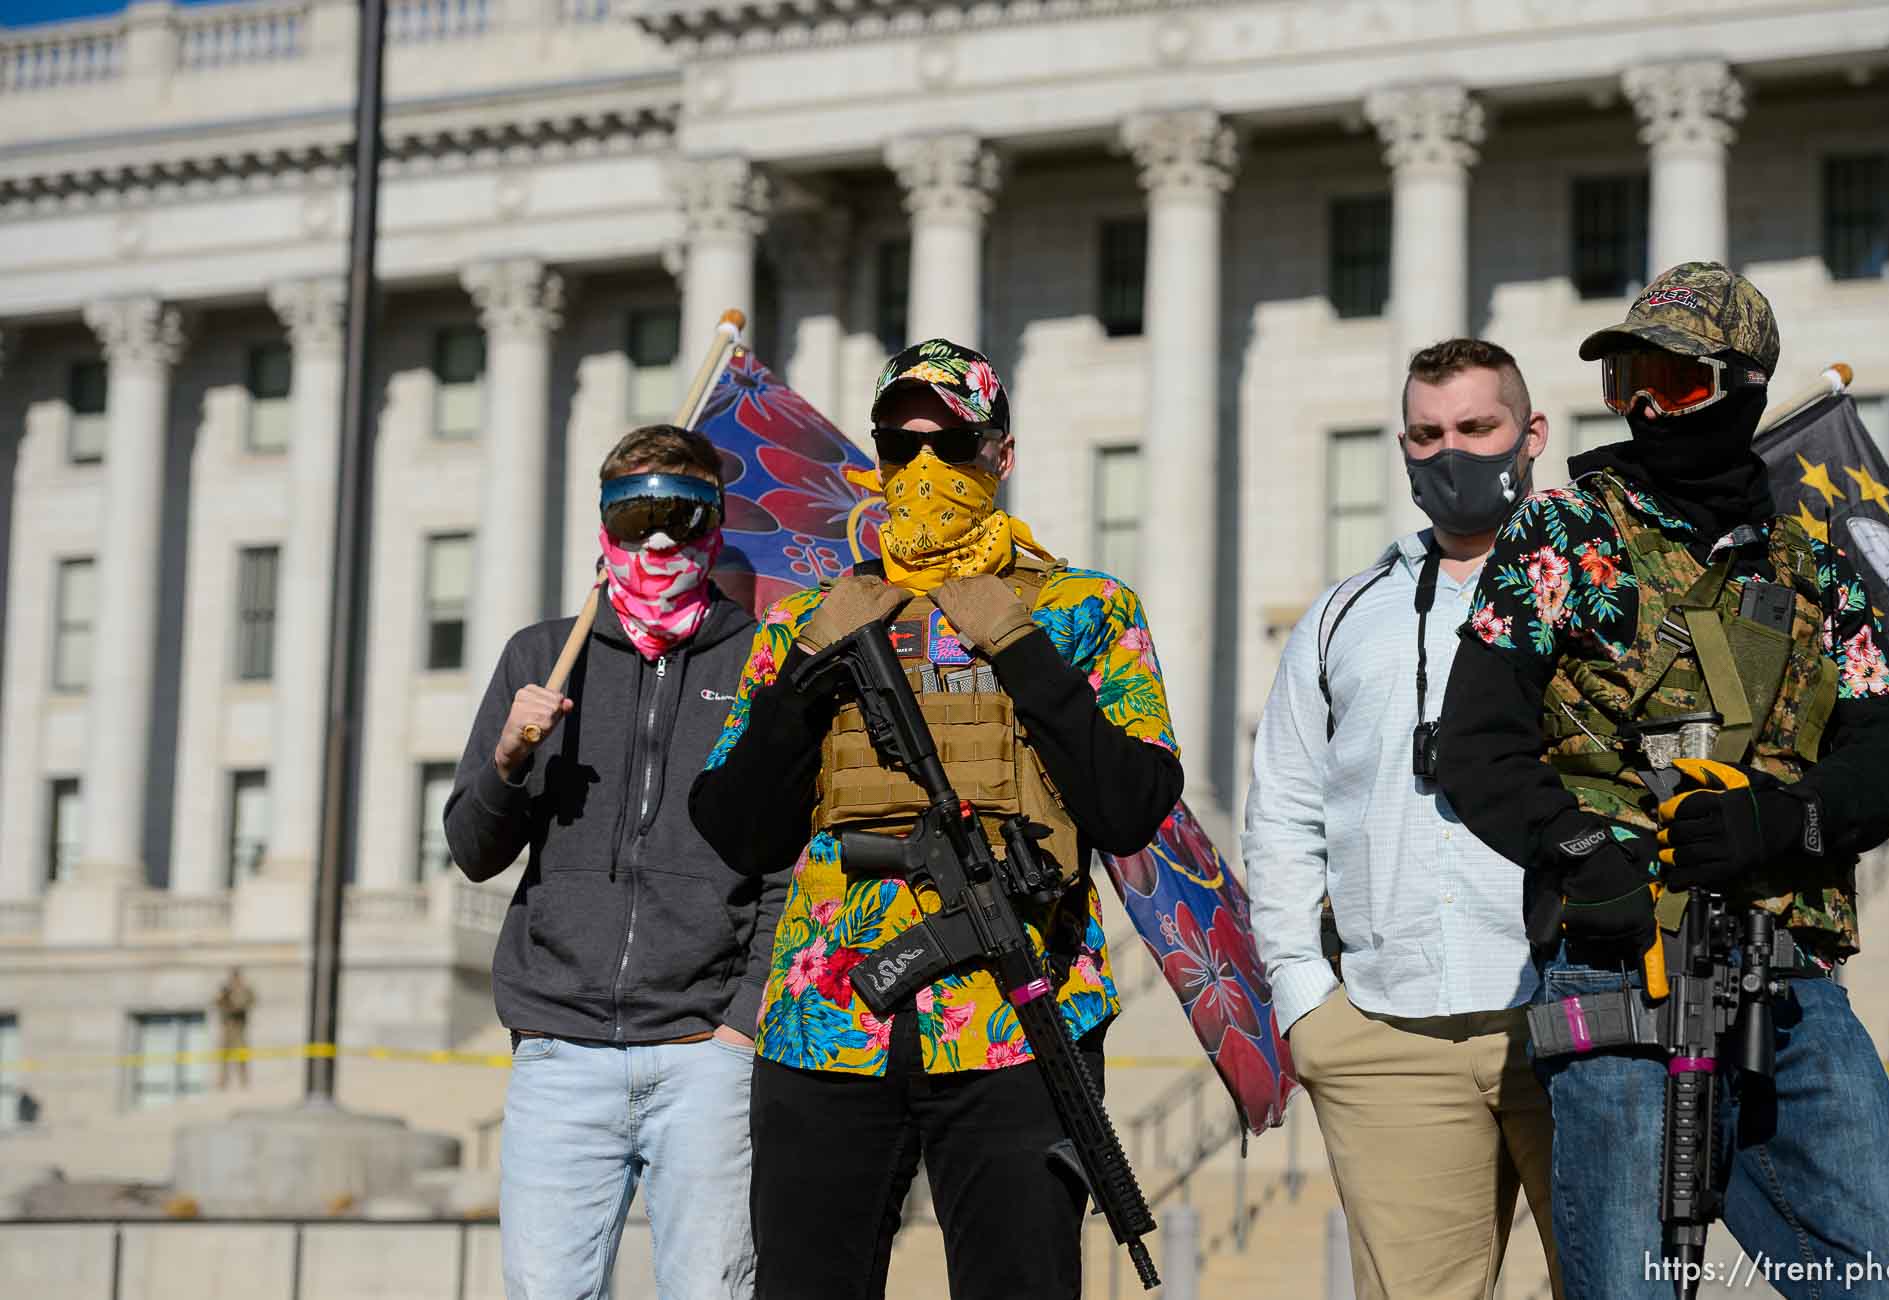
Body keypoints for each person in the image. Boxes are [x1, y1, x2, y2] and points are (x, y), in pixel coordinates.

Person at [1436, 262, 1889, 1297]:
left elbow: (1886, 750)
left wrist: (1781, 820)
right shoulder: (1560, 538)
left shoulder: (1814, 563)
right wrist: (1581, 853)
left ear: (1743, 390)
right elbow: (1474, 745)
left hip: (1788, 984)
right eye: (1629, 383)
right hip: (1618, 970)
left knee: (1888, 1278)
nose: (1649, 409)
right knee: (1634, 1284)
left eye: (1676, 381)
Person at [688, 339, 1183, 1300]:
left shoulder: (1086, 609)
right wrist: (810, 670)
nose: (921, 469)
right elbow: (735, 831)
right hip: (825, 1024)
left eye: (949, 443)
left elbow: (1130, 807)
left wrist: (1012, 638)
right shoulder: (811, 620)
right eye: (896, 444)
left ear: (999, 455)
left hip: (1018, 1017)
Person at [1243, 338, 1561, 1299]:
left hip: (1573, 1021)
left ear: (1530, 435)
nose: (1451, 452)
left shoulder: (1601, 593)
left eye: (1476, 427)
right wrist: (1304, 997)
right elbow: (1284, 809)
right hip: (1386, 1037)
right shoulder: (1345, 614)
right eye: (1427, 434)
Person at [445, 424, 779, 1300]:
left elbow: (790, 862)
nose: (659, 541)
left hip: (706, 1054)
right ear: (603, 529)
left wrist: (741, 1022)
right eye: (634, 518)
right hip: (559, 1050)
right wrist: (510, 759)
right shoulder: (539, 656)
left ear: (717, 523)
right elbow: (471, 851)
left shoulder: (764, 664)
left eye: (682, 513)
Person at [215, 966, 255, 1090]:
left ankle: (243, 1080)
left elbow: (250, 1002)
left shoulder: (245, 990)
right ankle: (223, 1081)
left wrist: (238, 1005)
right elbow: (218, 1003)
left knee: (241, 1055)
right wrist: (224, 996)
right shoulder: (226, 990)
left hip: (239, 1028)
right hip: (228, 1027)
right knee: (224, 1055)